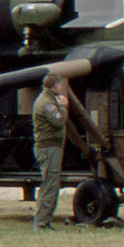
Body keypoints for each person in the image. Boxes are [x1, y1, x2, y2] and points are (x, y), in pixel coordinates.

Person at [31, 72, 68, 231]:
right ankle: (40, 223)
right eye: (60, 83)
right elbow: (58, 121)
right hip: (48, 148)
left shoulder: (48, 99)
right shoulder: (48, 102)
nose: (62, 86)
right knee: (49, 184)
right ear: (54, 85)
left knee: (52, 183)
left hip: (50, 147)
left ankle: (45, 221)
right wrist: (64, 106)